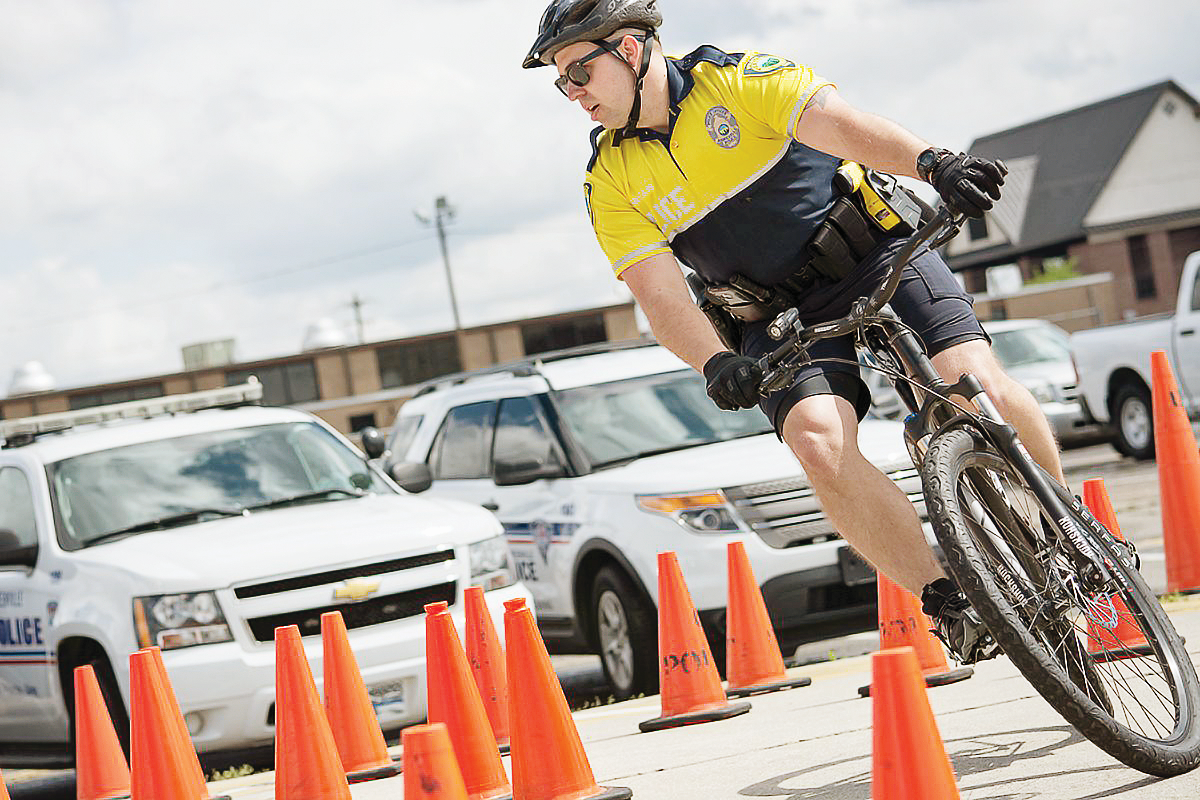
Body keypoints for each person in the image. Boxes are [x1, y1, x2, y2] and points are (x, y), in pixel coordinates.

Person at [523, 0, 1066, 664]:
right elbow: (661, 299)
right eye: (561, 82)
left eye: (578, 72)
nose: (572, 92)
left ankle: (1065, 533)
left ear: (630, 50)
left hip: (876, 254)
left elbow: (844, 126)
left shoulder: (736, 79)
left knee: (973, 384)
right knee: (815, 440)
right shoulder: (610, 178)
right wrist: (714, 363)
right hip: (777, 317)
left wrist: (932, 163)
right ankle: (948, 599)